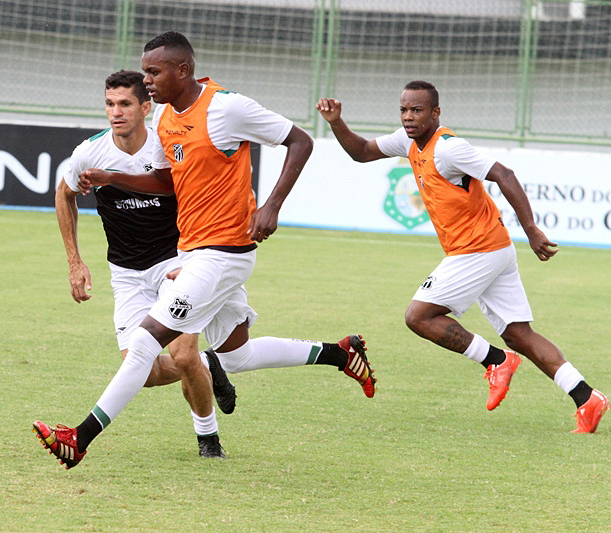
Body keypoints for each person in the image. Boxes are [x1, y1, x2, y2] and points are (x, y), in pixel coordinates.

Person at [33, 31, 376, 470]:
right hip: (195, 253)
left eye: (154, 73)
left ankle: (79, 438)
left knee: (144, 342)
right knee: (238, 355)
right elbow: (164, 182)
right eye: (145, 73)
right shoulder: (168, 121)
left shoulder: (226, 107)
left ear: (183, 70)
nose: (148, 82)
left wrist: (271, 205)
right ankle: (340, 352)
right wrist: (112, 177)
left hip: (224, 251)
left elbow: (300, 141)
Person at [316, 80, 608, 433]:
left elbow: (504, 174)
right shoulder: (406, 140)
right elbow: (361, 151)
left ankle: (496, 361)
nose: (409, 117)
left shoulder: (450, 148)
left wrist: (531, 228)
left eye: (417, 110)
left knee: (419, 316)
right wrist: (336, 122)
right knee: (518, 333)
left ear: (435, 112)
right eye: (404, 110)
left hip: (478, 250)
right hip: (492, 249)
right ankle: (586, 398)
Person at [50, 69, 238, 459]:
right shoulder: (89, 151)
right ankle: (210, 362)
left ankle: (208, 439)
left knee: (183, 355)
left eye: (125, 104)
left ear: (146, 107)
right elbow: (63, 194)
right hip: (127, 273)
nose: (116, 112)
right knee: (147, 373)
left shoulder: (165, 146)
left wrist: (202, 254)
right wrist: (75, 261)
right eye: (109, 104)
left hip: (176, 263)